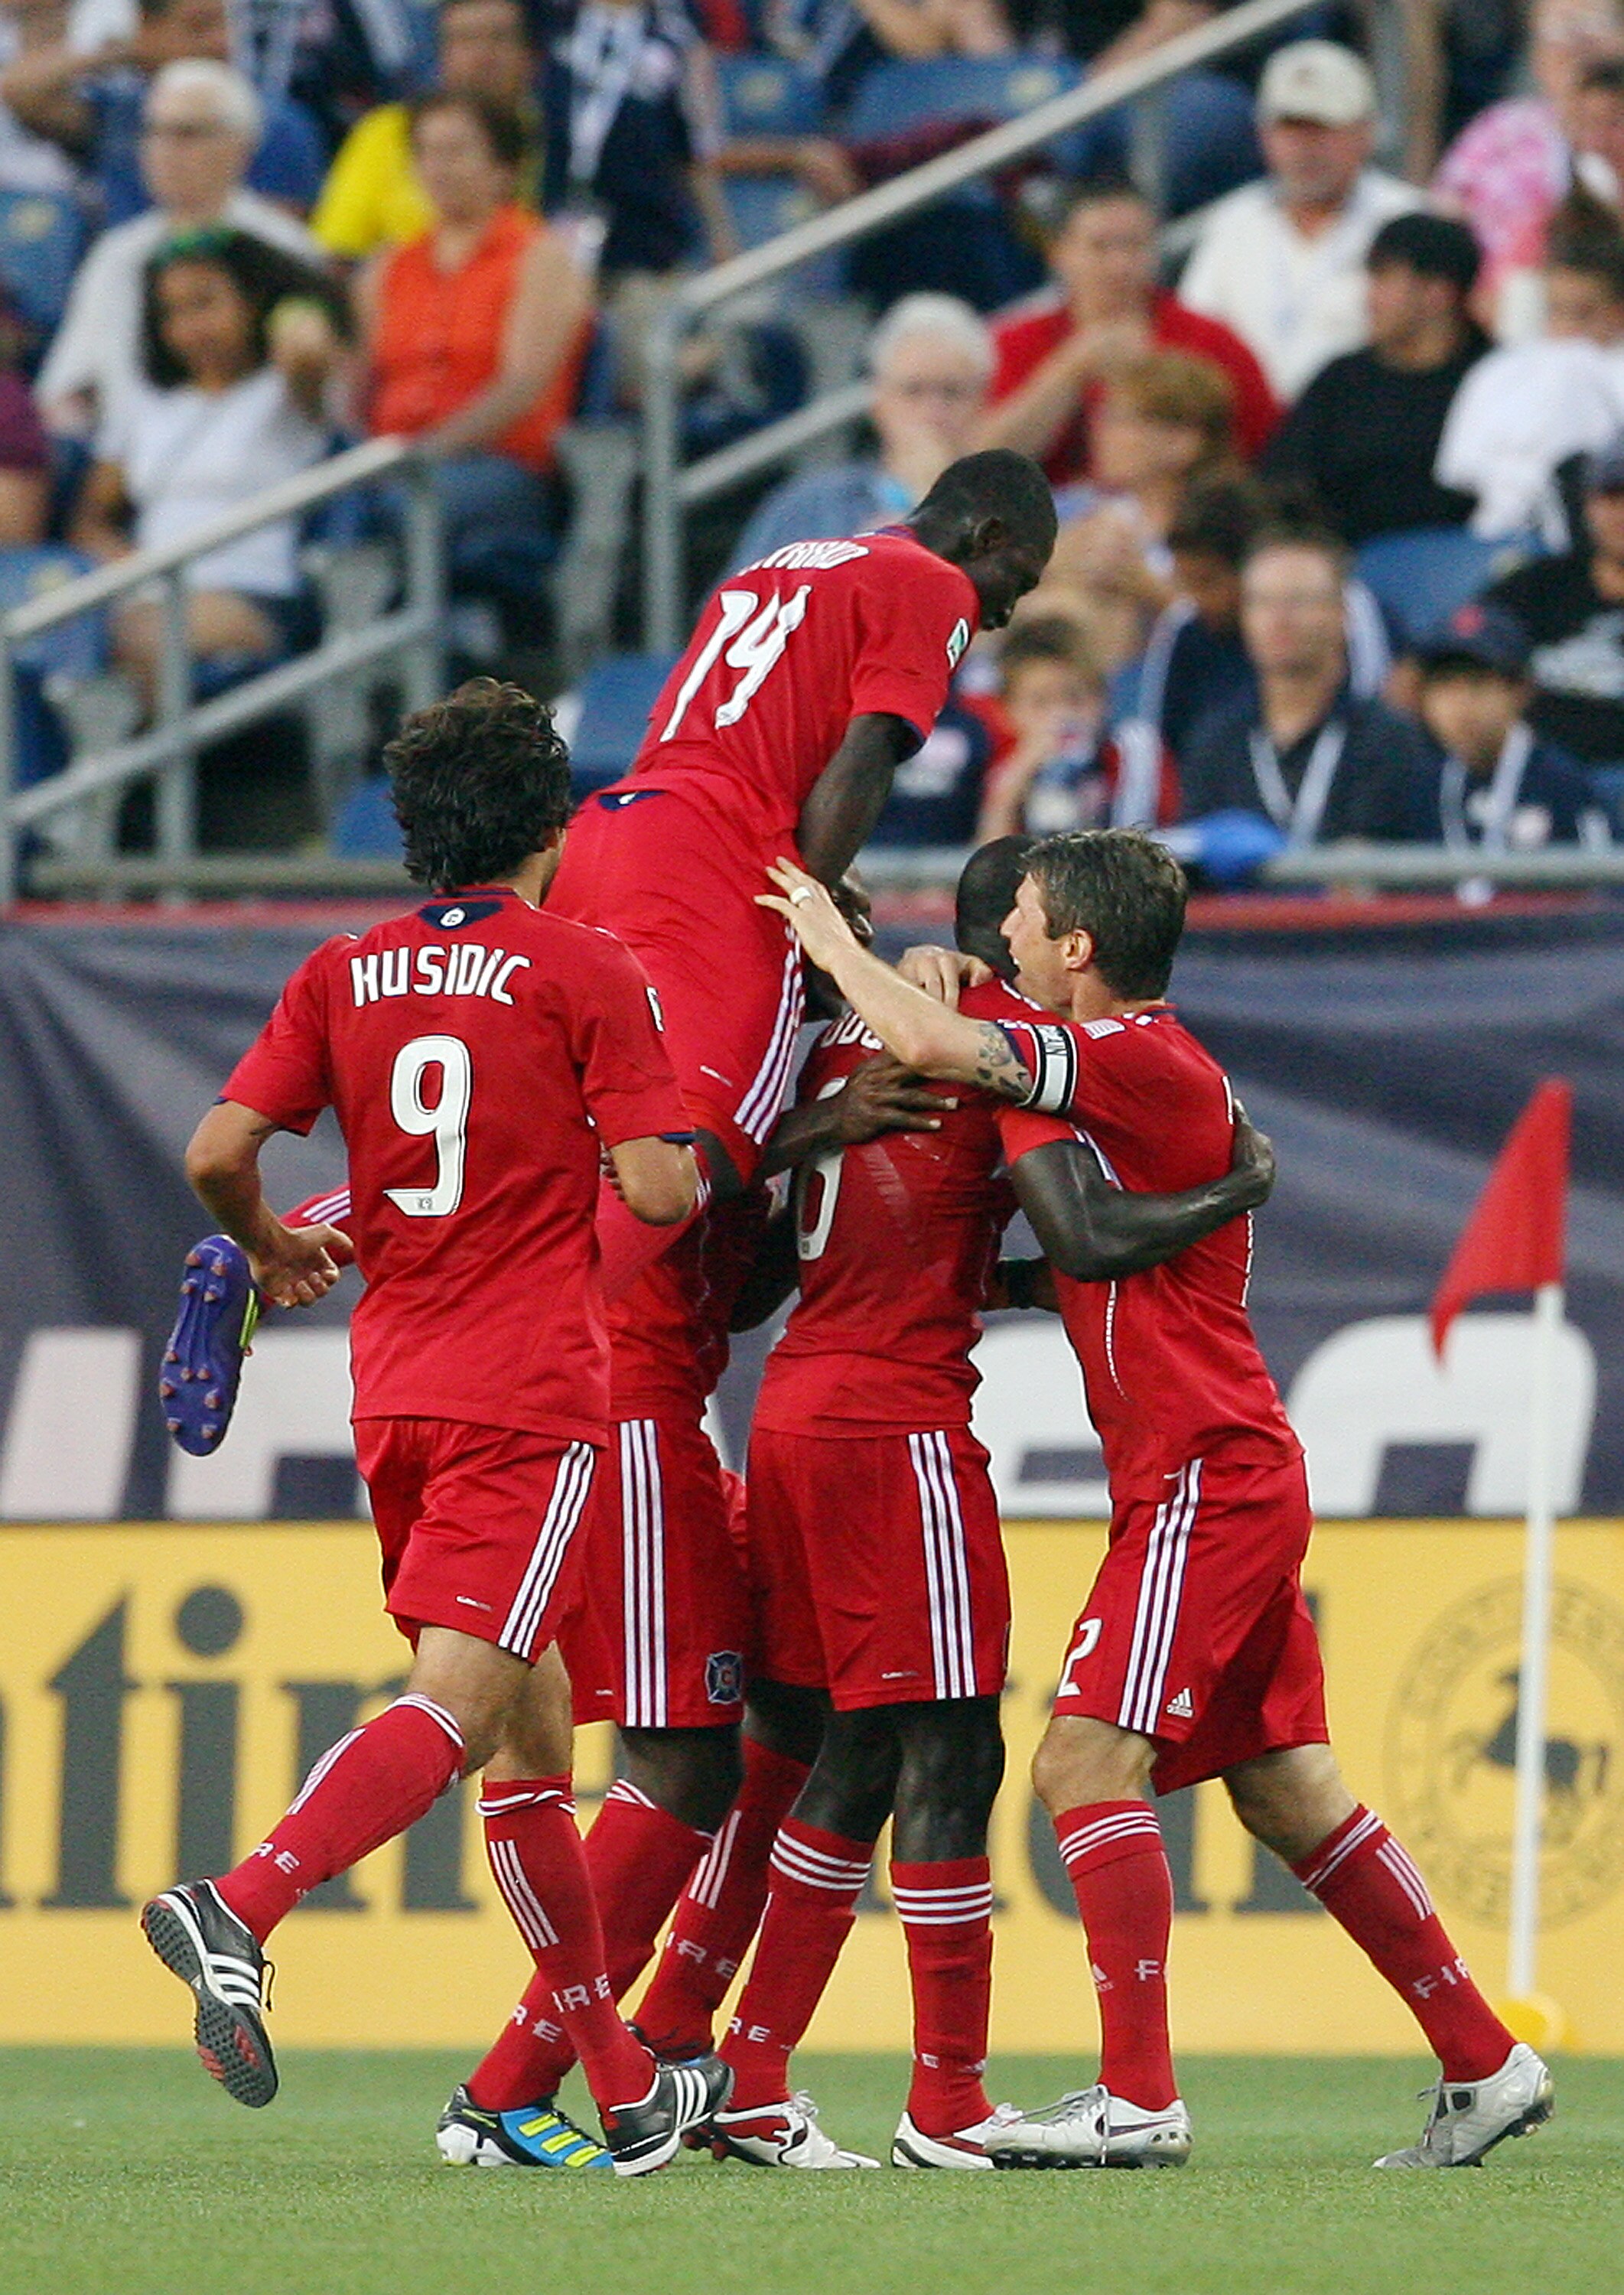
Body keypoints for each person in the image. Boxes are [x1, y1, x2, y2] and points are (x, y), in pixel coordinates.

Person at [762, 828, 1556, 2173]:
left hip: (1208, 1474)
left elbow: (977, 1082)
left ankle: (1139, 2096)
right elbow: (1082, 1252)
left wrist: (835, 949)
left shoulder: (1135, 1054)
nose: (1006, 933)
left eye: (1020, 915)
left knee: (1081, 1761)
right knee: (1287, 1789)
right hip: (1197, 1471)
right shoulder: (1120, 1079)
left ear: (1075, 947)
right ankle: (1486, 2061)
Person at [142, 679, 731, 2174]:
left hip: (393, 1392)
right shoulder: (585, 966)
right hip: (526, 1398)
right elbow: (659, 1195)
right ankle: (243, 1902)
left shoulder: (344, 970)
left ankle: (611, 2083)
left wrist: (273, 1244)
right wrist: (670, 1144)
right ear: (550, 824)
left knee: (533, 1741)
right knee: (464, 1711)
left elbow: (217, 1152)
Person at [700, 835, 1274, 2171]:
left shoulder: (840, 1046)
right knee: (952, 1754)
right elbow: (1076, 1235)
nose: (1015, 934)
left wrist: (851, 973)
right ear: (1020, 944)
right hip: (892, 1426)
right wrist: (1232, 1191)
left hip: (791, 1405)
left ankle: (747, 2074)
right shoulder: (987, 1042)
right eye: (1015, 914)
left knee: (851, 1753)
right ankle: (946, 2101)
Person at [544, 447, 1058, 1305]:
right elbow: (866, 754)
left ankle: (295, 1248)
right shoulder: (937, 585)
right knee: (705, 1140)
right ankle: (507, 1336)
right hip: (712, 859)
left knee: (554, 1126)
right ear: (986, 532)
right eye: (1019, 575)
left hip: (613, 832)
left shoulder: (784, 563)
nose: (1007, 609)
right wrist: (805, 902)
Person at [70, 229, 345, 705]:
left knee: (132, 639)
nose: (190, 328)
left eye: (205, 303)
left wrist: (297, 317)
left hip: (254, 594)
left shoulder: (285, 395)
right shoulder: (149, 406)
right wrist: (136, 570)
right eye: (172, 313)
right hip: (152, 592)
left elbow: (311, 354)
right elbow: (91, 521)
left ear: (252, 302)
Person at [356, 91, 591, 585]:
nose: (438, 168)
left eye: (456, 152)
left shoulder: (539, 257)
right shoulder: (388, 267)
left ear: (503, 168)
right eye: (426, 152)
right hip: (391, 462)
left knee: (398, 514)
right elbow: (360, 380)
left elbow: (523, 384)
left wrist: (425, 455)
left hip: (498, 465)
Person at [37, 57, 321, 437]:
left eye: (186, 133)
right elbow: (68, 385)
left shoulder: (283, 247)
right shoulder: (117, 254)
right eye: (153, 132)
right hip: (129, 468)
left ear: (241, 146)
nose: (165, 150)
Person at [975, 176, 1277, 486]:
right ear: (1059, 253)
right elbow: (979, 462)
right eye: (1100, 246)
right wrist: (1071, 371)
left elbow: (1263, 448)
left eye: (1135, 245)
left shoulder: (1210, 340)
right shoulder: (1016, 343)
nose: (1119, 265)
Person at [1177, 41, 1424, 403]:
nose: (1305, 148)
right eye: (1291, 129)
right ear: (1264, 136)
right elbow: (1196, 337)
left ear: (1365, 133)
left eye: (1322, 130)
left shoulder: (1409, 218)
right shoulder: (1233, 221)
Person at [1177, 530, 1430, 845]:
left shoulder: (1388, 740)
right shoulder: (1216, 742)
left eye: (1299, 601)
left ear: (1341, 614)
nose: (1279, 618)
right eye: (1263, 602)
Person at [1261, 211, 1489, 548]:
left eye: (1383, 279)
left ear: (1437, 293)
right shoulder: (1340, 381)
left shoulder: (1498, 383)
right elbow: (1281, 483)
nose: (1369, 299)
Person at [727, 295, 993, 571]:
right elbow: (736, 605)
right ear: (878, 403)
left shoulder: (1023, 502)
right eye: (913, 391)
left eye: (951, 393)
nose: (932, 411)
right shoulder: (809, 506)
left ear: (982, 404)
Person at [2, 0, 325, 224]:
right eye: (198, 27)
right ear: (146, 29)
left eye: (225, 23)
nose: (221, 42)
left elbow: (283, 237)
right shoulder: (117, 113)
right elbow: (18, 91)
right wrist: (117, 51)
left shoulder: (274, 120)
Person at [1043, 347, 1239, 672]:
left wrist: (1146, 587)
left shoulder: (1224, 525)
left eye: (1120, 420)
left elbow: (1236, 627)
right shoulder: (1072, 510)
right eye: (1101, 417)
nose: (1101, 434)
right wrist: (1056, 564)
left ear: (1182, 441)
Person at [1434, 226, 1624, 545]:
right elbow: (1461, 471)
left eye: (1581, 313)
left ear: (1618, 313)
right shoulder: (1501, 371)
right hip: (1502, 539)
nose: (1565, 328)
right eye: (1555, 311)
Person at [313, 0, 541, 263]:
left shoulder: (561, 140)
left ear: (529, 55)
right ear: (441, 55)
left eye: (499, 38)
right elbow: (337, 251)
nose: (483, 56)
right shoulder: (386, 133)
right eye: (465, 40)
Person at [1434, 0, 1624, 292]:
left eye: (1594, 22)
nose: (1577, 39)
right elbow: (1444, 219)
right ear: (1536, 55)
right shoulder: (1499, 131)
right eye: (1558, 30)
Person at [1412, 599, 1613, 849]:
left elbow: (1598, 882)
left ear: (1521, 690)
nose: (1460, 705)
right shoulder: (1418, 787)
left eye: (1477, 684)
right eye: (1444, 685)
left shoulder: (1561, 785)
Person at [1482, 432, 1624, 771]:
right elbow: (1436, 662)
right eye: (1611, 495)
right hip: (1537, 783)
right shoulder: (1535, 586)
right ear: (1588, 504)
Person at [977, 613, 1175, 838]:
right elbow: (988, 856)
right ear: (1006, 710)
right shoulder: (993, 760)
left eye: (1075, 699)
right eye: (1040, 703)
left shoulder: (1128, 755)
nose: (1061, 716)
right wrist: (1015, 782)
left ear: (1103, 700)